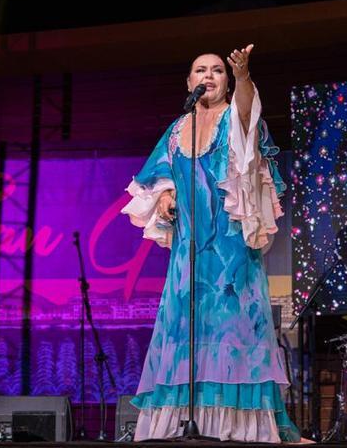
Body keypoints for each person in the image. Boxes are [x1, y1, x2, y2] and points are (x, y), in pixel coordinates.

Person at [121, 45, 300, 442]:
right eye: (201, 70)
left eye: (217, 70)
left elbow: (249, 113)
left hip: (231, 253)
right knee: (185, 331)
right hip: (190, 255)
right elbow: (161, 176)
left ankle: (236, 429)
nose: (209, 76)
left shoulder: (233, 119)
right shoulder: (177, 128)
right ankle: (180, 423)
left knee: (232, 330)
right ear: (189, 82)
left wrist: (244, 77)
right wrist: (166, 196)